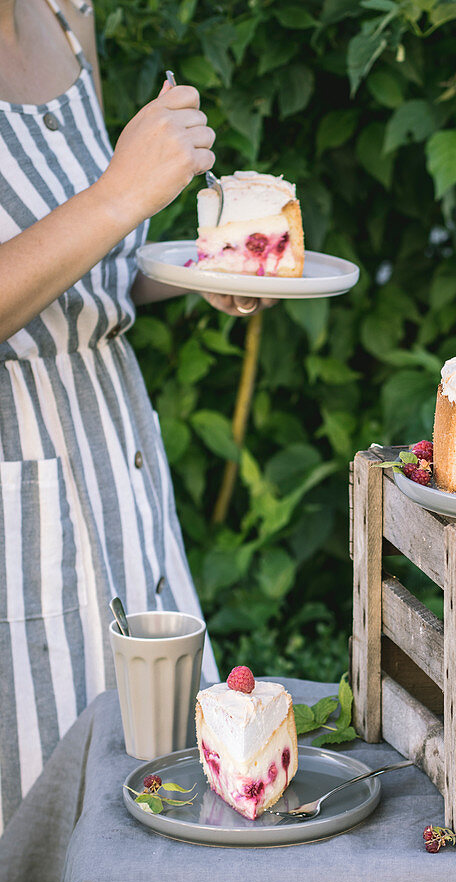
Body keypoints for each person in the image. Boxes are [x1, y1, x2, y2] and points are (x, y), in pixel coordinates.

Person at [0, 0, 258, 832]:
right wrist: (120, 193)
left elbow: (90, 264)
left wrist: (196, 264)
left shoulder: (67, 13)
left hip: (119, 464)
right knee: (35, 832)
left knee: (163, 794)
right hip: (17, 506)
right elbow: (105, 209)